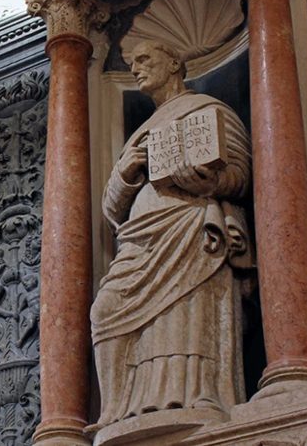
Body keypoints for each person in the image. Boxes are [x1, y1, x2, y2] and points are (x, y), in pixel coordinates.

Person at [90, 40, 253, 429]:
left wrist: (208, 181)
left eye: (145, 59)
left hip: (190, 226)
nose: (136, 68)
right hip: (140, 239)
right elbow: (111, 210)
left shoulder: (209, 111)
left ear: (175, 63)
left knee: (187, 310)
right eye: (132, 63)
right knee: (105, 310)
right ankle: (116, 411)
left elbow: (240, 176)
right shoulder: (139, 135)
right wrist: (125, 174)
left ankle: (195, 396)